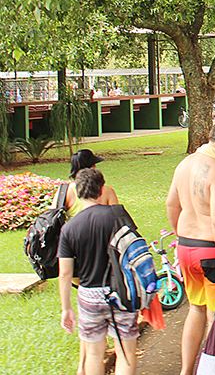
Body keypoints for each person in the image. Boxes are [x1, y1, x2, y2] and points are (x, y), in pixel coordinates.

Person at [166, 117, 215, 375]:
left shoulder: (184, 164)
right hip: (214, 252)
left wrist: (182, 233)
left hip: (187, 247)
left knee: (195, 310)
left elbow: (171, 204)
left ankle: (186, 371)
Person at [58, 168, 138, 375]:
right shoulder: (117, 218)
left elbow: (65, 273)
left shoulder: (69, 228)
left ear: (78, 191)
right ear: (101, 190)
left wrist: (66, 308)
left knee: (93, 355)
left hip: (88, 295)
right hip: (121, 292)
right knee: (126, 353)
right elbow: (134, 252)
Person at [54, 149, 120, 375]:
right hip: (101, 265)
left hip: (73, 264)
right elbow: (119, 226)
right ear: (91, 169)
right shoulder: (106, 191)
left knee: (88, 317)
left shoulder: (62, 191)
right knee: (106, 324)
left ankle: (84, 367)